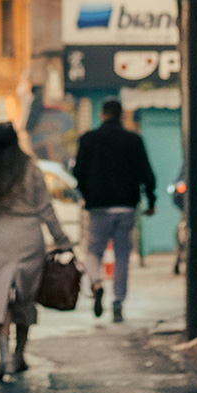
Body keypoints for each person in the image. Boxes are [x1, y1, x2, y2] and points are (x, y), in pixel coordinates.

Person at [0, 122, 72, 381]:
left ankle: (4, 356)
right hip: (28, 236)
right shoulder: (31, 168)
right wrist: (62, 241)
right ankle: (19, 354)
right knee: (24, 297)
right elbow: (46, 207)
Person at [70, 99, 157, 323]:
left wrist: (87, 194)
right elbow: (146, 172)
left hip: (98, 206)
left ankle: (97, 283)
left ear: (102, 114)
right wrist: (151, 199)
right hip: (127, 206)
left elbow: (78, 172)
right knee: (122, 256)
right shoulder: (134, 140)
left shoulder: (88, 140)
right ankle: (118, 302)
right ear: (121, 115)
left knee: (93, 252)